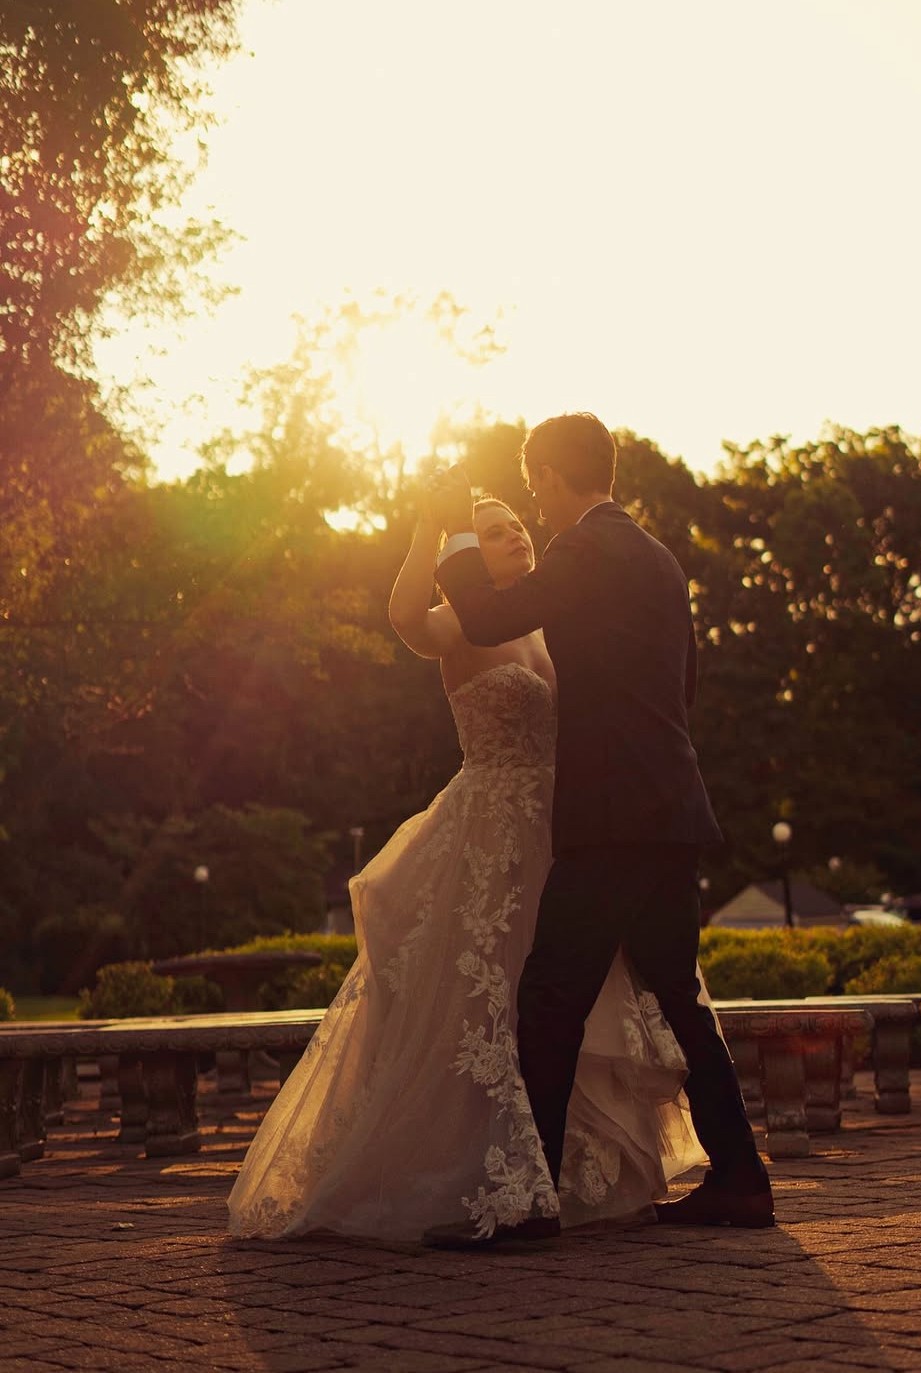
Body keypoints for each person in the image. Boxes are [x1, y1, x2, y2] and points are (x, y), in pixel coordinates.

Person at [226, 494, 705, 1244]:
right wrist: (425, 532)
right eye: (490, 531)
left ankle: (568, 1168)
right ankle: (485, 1171)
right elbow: (406, 619)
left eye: (517, 523)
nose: (513, 533)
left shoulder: (554, 621)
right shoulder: (463, 624)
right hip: (487, 830)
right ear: (466, 554)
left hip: (568, 829)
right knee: (485, 997)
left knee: (574, 997)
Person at [428, 412, 773, 1247]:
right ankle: (740, 1179)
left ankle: (531, 1203)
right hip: (670, 807)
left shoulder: (581, 551)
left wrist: (450, 542)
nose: (537, 509)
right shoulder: (657, 556)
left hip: (612, 817)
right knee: (678, 994)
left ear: (548, 475)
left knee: (549, 998)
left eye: (535, 487)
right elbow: (683, 682)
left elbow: (481, 617)